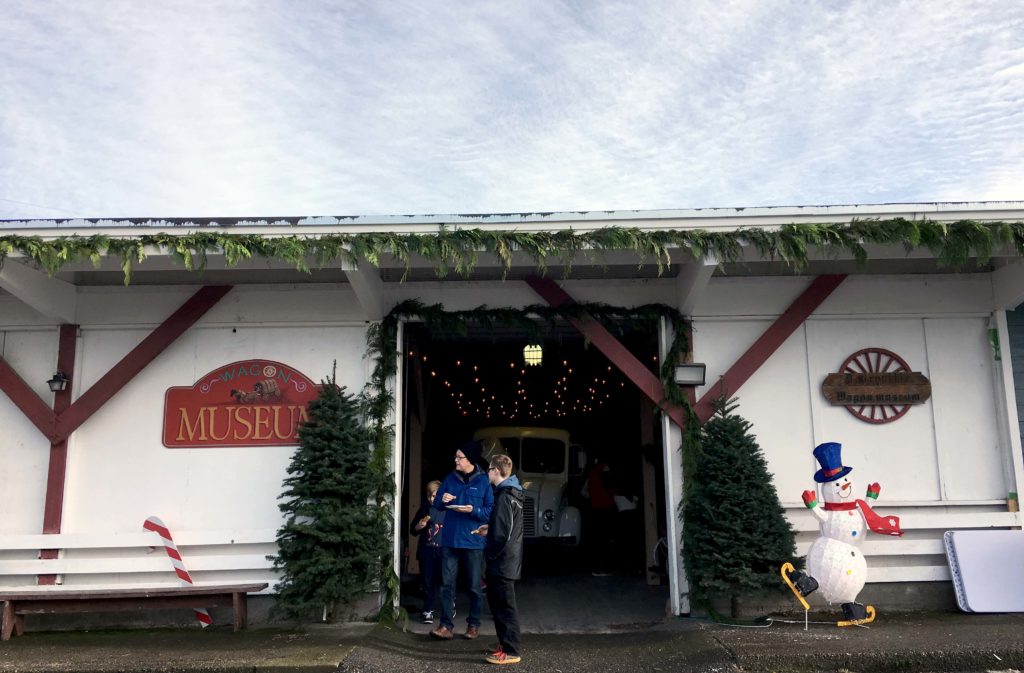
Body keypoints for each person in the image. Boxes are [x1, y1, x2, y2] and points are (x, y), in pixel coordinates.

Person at [430, 440, 493, 640]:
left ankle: (473, 625)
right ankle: (446, 626)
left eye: (459, 457)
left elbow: (490, 511)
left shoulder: (483, 481)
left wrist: (474, 510)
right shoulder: (450, 478)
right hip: (450, 541)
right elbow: (437, 504)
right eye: (456, 456)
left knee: (474, 586)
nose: (455, 460)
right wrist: (443, 500)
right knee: (447, 585)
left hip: (473, 542)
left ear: (470, 459)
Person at [476, 453, 524, 665]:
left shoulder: (505, 496)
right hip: (507, 560)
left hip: (503, 562)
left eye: (489, 470)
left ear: (496, 471)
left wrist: (491, 553)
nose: (487, 473)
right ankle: (504, 645)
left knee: (505, 607)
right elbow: (506, 528)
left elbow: (503, 535)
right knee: (500, 605)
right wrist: (490, 528)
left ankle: (511, 650)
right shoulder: (510, 493)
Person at [409, 480, 445, 623]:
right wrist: (419, 525)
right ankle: (428, 610)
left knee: (445, 581)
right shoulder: (425, 509)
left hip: (444, 551)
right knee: (427, 582)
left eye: (435, 496)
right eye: (429, 496)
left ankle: (447, 608)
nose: (431, 499)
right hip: (427, 550)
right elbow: (413, 530)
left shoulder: (449, 510)